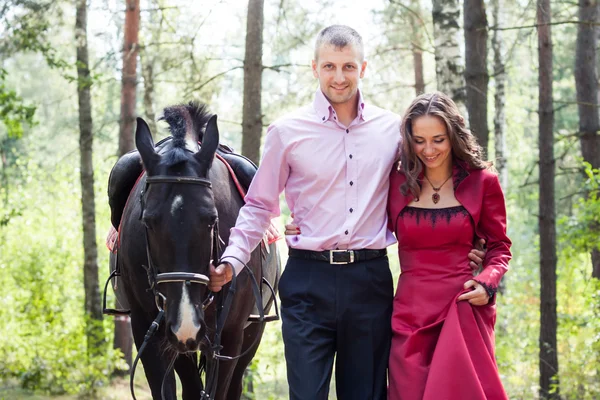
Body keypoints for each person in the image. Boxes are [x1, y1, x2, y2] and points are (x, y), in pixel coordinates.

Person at [209, 25, 484, 400]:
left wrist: (470, 244)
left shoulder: (393, 130)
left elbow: (435, 180)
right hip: (307, 280)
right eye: (329, 66)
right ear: (315, 68)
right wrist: (231, 262)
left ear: (363, 68)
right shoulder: (286, 133)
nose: (339, 77)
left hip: (369, 281)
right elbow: (259, 206)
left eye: (348, 67)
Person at [387, 92, 510, 399]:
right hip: (409, 312)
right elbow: (358, 219)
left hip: (463, 305)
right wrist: (302, 223)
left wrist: (487, 283)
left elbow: (500, 248)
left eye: (438, 139)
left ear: (454, 135)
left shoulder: (483, 182)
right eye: (419, 140)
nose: (428, 149)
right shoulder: (395, 181)